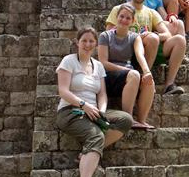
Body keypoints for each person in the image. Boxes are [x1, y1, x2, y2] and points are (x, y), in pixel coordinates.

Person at [56, 27, 133, 177]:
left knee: (126, 120)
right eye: (84, 40)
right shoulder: (69, 60)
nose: (87, 44)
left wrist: (102, 112)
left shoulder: (98, 65)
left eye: (91, 41)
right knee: (96, 136)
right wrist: (84, 105)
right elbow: (63, 91)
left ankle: (88, 152)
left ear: (96, 44)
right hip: (70, 111)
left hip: (94, 111)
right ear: (77, 43)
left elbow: (102, 94)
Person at [106, 0, 186, 95]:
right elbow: (109, 33)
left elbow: (167, 34)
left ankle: (169, 84)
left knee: (180, 40)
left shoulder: (151, 12)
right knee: (152, 39)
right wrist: (136, 37)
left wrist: (153, 34)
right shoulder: (119, 9)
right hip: (126, 50)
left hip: (148, 49)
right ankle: (145, 77)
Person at [98, 4, 155, 129]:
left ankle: (141, 120)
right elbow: (103, 62)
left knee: (149, 82)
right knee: (134, 74)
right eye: (121, 16)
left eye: (128, 18)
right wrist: (125, 70)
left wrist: (146, 72)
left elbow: (140, 55)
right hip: (108, 77)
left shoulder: (135, 37)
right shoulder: (105, 36)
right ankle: (128, 119)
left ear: (133, 21)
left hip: (127, 77)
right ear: (117, 17)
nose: (124, 20)